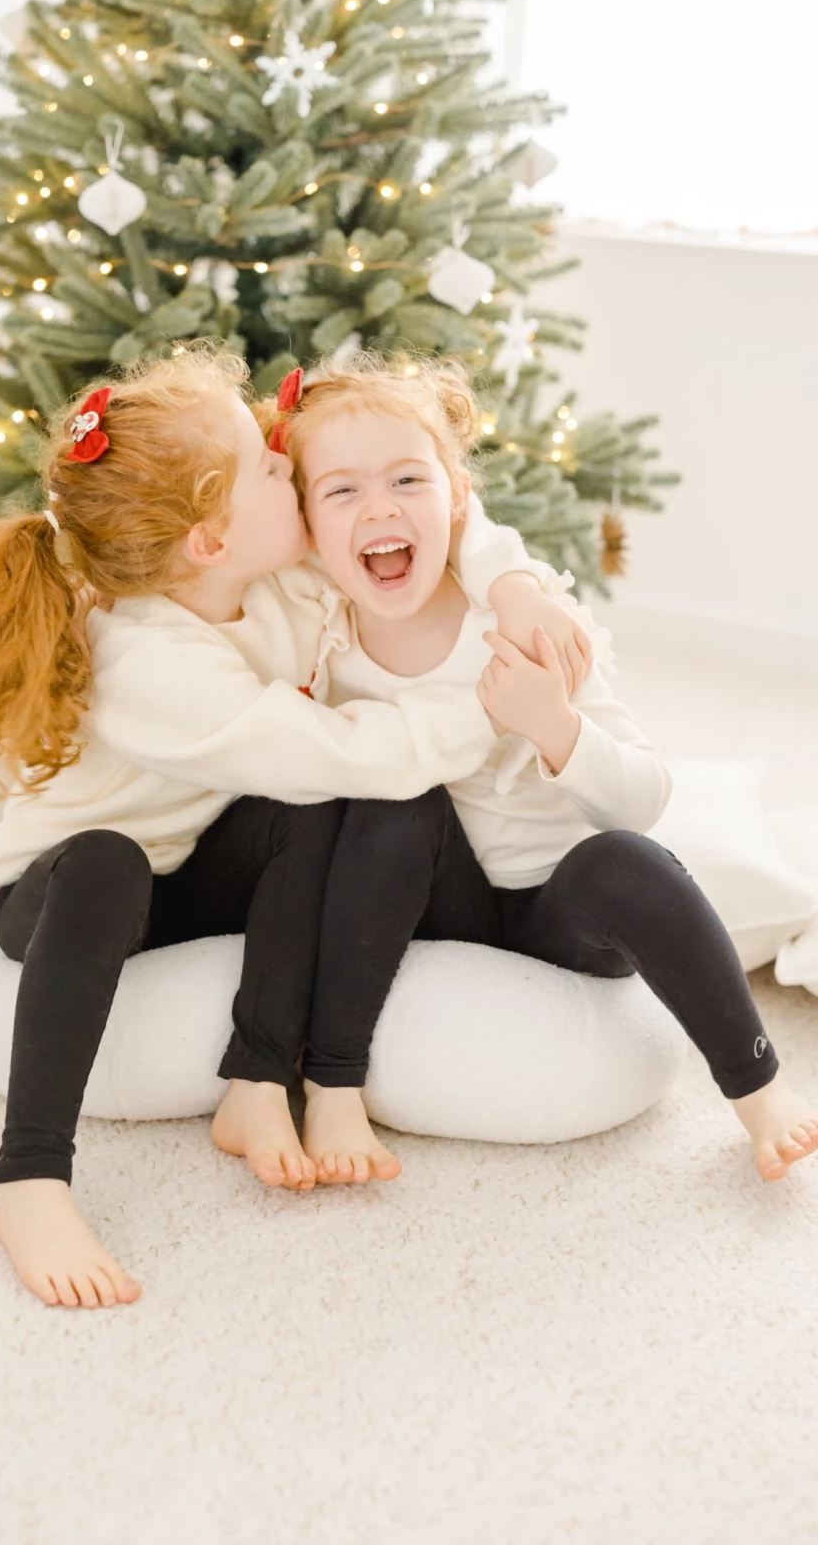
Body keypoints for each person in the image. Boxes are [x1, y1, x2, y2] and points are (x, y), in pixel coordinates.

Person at [0, 344, 586, 1307]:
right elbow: (343, 750)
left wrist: (514, 582)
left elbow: (432, 500)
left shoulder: (277, 583)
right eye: (270, 465)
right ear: (210, 540)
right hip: (66, 892)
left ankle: (256, 1081)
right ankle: (31, 1182)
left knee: (306, 811)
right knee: (115, 859)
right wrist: (493, 708)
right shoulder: (146, 661)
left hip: (193, 860)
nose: (289, 457)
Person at [262, 353, 818, 1188]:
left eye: (409, 480)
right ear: (307, 523)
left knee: (626, 862)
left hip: (559, 911)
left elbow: (646, 795)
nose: (379, 507)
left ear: (455, 499)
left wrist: (554, 725)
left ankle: (759, 1088)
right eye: (342, 491)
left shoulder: (526, 620)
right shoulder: (317, 625)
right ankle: (333, 1082)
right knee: (393, 806)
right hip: (424, 902)